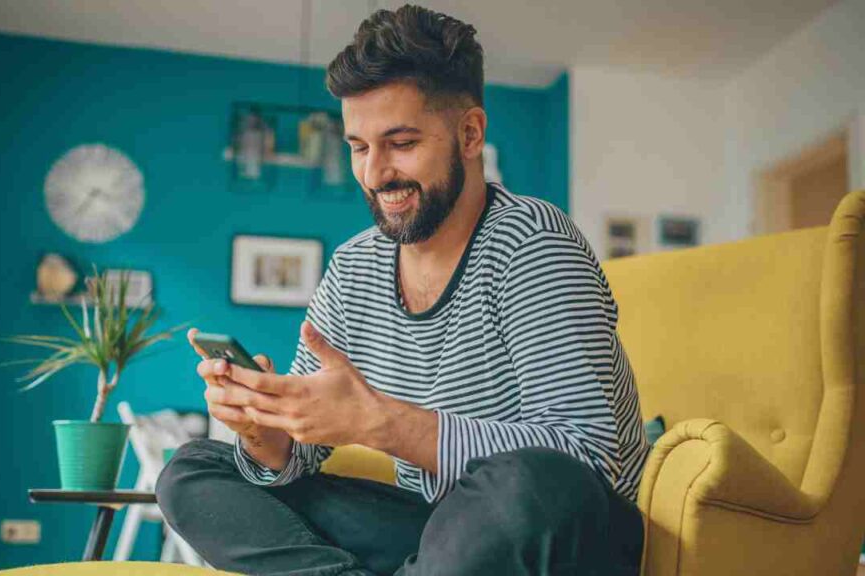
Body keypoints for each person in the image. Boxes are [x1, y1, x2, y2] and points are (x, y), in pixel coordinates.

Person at [156, 5, 649, 575]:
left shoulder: (534, 243)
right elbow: (296, 458)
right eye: (359, 147)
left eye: (401, 143)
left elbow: (584, 462)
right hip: (440, 531)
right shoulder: (354, 268)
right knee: (194, 470)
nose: (374, 173)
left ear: (470, 134)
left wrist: (379, 423)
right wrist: (266, 433)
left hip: (561, 533)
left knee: (529, 479)